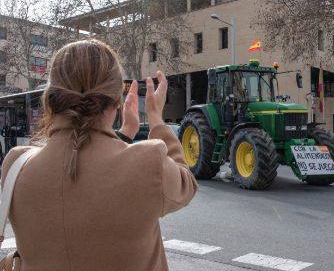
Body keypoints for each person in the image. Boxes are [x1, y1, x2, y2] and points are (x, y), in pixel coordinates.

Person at [1, 39, 195, 271]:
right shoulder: (149, 160)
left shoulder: (16, 164)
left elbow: (86, 163)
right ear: (116, 100)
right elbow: (185, 183)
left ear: (50, 99)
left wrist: (123, 135)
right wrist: (156, 119)